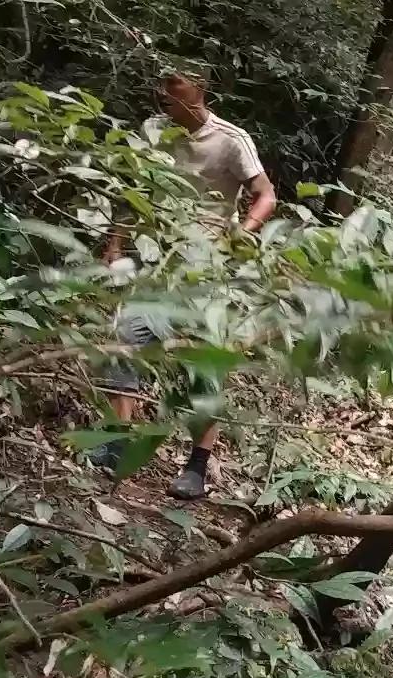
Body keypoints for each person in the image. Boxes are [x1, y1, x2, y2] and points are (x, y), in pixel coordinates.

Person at [94, 72, 276, 499]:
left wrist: (243, 235)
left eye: (176, 98)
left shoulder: (232, 139)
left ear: (200, 93)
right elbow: (136, 187)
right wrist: (116, 242)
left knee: (204, 360)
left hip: (206, 266)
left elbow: (265, 195)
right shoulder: (154, 131)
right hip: (155, 256)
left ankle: (196, 466)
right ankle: (118, 443)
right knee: (125, 339)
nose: (167, 106)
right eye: (163, 97)